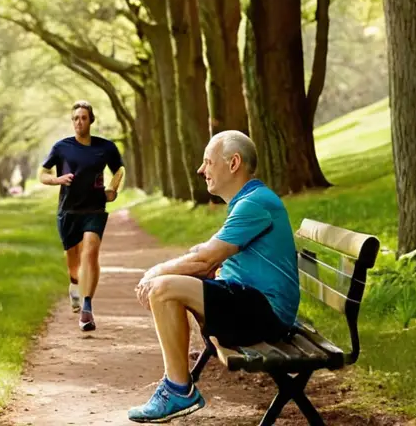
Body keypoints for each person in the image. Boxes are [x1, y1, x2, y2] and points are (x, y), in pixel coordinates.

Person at [127, 131, 300, 423]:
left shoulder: (255, 204)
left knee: (163, 288)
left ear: (233, 163)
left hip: (265, 313)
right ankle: (177, 385)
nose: (201, 170)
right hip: (251, 302)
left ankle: (178, 391)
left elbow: (205, 260)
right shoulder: (250, 201)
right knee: (166, 289)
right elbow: (208, 254)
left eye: (208, 162)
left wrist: (154, 272)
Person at [38, 100, 126, 332]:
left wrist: (113, 189)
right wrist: (57, 180)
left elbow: (119, 169)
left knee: (91, 252)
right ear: (72, 121)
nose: (79, 122)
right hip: (68, 211)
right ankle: (75, 284)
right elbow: (42, 173)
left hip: (95, 208)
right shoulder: (61, 147)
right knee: (74, 264)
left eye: (83, 118)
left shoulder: (105, 147)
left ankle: (87, 308)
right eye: (76, 118)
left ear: (91, 120)